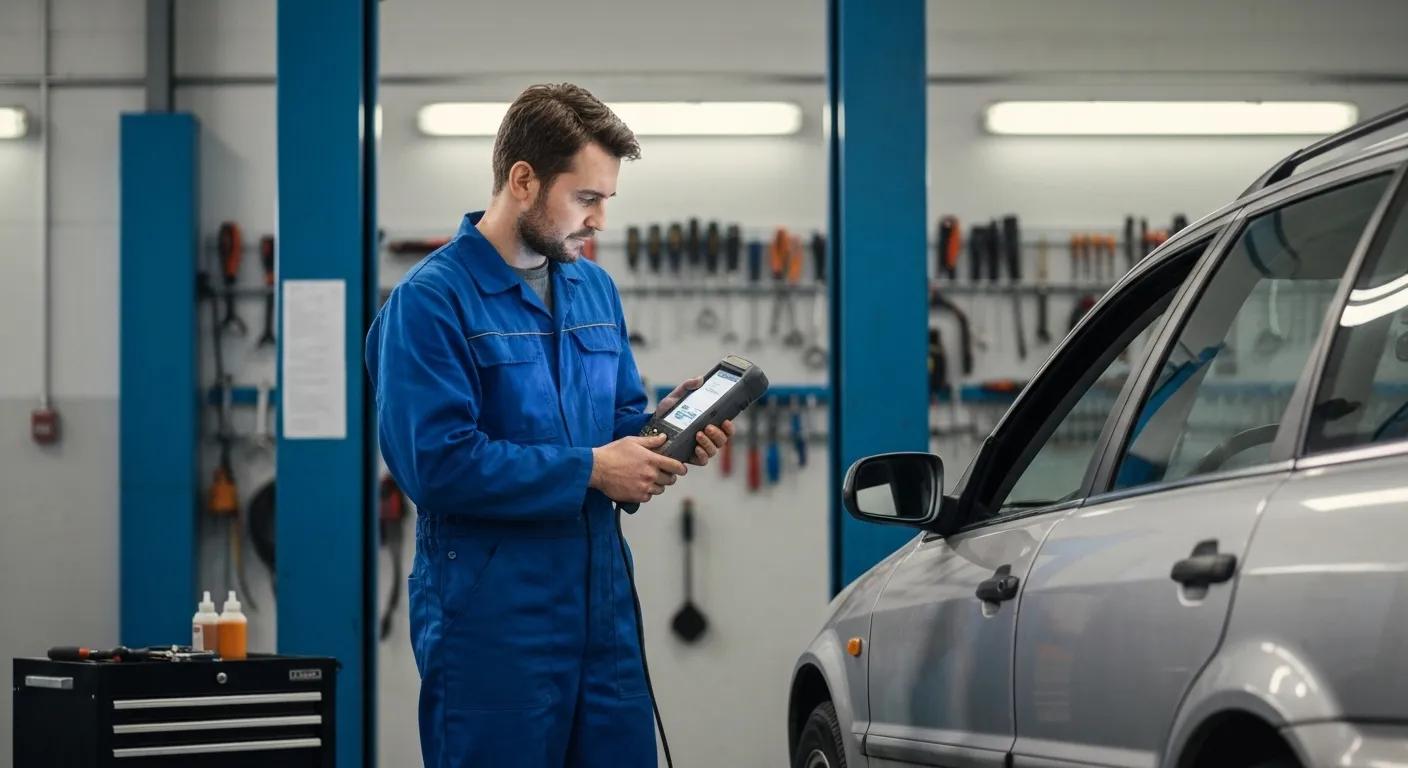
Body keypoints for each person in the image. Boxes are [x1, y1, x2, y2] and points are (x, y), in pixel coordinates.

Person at [365, 82, 733, 768]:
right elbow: (437, 465)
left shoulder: (592, 286)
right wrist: (593, 469)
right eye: (586, 198)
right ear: (524, 180)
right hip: (492, 625)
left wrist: (665, 432)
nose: (598, 220)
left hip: (604, 616)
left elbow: (619, 420)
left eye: (605, 201)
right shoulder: (430, 303)